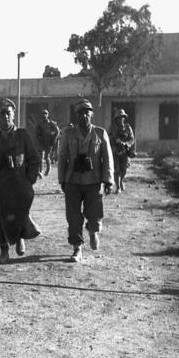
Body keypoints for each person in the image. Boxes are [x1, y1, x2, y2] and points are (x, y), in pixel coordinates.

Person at [0, 98, 41, 263]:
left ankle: (20, 237)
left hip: (19, 183)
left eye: (8, 113)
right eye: (1, 114)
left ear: (13, 115)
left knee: (19, 212)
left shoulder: (22, 135)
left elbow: (34, 159)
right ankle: (4, 250)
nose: (5, 117)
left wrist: (29, 179)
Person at [58, 99, 114, 263]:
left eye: (87, 112)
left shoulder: (100, 133)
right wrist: (62, 179)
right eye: (80, 113)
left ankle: (93, 231)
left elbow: (107, 158)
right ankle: (77, 248)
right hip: (73, 181)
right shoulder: (68, 134)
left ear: (92, 114)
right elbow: (62, 158)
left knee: (94, 213)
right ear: (76, 115)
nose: (84, 115)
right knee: (73, 217)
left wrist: (108, 180)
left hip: (93, 180)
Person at [109, 109, 135, 194]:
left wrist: (127, 144)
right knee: (116, 170)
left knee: (124, 169)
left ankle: (121, 181)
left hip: (125, 151)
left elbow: (132, 139)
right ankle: (118, 186)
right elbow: (107, 138)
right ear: (116, 119)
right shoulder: (112, 128)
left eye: (122, 117)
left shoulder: (127, 127)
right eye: (119, 118)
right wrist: (115, 141)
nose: (121, 119)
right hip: (115, 151)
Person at [35, 109, 60, 177]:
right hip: (42, 142)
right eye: (43, 114)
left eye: (45, 114)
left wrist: (53, 138)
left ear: (48, 115)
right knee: (40, 157)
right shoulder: (39, 124)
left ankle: (48, 170)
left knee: (46, 157)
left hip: (49, 143)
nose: (44, 115)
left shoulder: (51, 123)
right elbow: (37, 133)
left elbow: (57, 131)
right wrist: (39, 138)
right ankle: (40, 171)